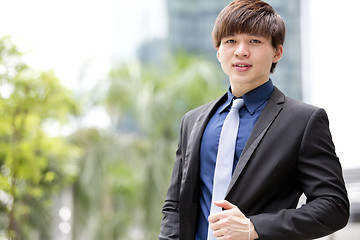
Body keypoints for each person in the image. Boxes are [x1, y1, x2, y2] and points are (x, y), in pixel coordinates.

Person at [159, 0, 349, 239]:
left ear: (277, 52)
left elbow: (334, 206)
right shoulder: (192, 121)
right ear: (218, 51)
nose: (241, 51)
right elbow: (175, 205)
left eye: (254, 41)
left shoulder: (304, 121)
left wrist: (255, 227)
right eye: (230, 41)